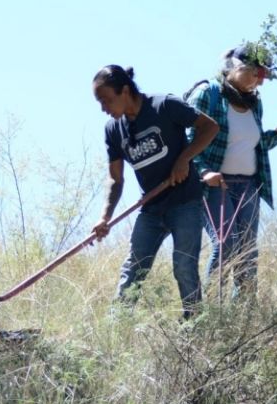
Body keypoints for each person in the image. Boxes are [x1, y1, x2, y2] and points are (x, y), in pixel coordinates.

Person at [91, 65, 219, 319]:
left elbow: (209, 127)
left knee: (184, 265)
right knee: (133, 268)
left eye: (106, 100)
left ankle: (194, 325)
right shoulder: (113, 130)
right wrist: (104, 217)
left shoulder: (164, 106)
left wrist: (184, 159)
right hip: (151, 208)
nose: (103, 107)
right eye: (99, 102)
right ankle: (116, 326)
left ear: (124, 91)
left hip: (185, 201)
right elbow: (115, 180)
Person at [187, 43, 277, 299]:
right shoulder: (208, 94)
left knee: (248, 251)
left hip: (248, 186)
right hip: (214, 185)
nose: (261, 81)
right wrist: (204, 173)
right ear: (237, 68)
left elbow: (254, 146)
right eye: (257, 74)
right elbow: (189, 142)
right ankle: (212, 309)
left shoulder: (254, 104)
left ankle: (245, 314)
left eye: (264, 76)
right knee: (226, 244)